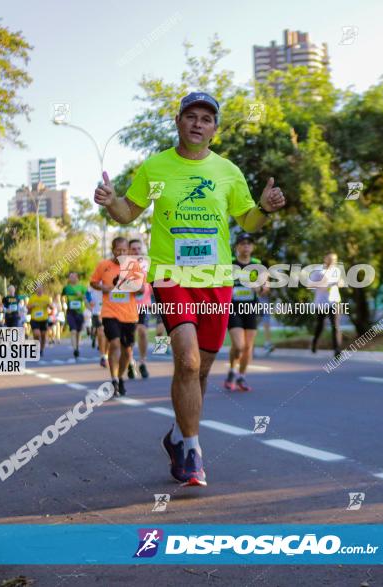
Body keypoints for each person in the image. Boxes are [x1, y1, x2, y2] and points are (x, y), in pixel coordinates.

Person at [93, 91, 286, 486]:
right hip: (171, 277)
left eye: (207, 119)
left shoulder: (228, 171)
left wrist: (264, 208)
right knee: (188, 361)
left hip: (216, 280)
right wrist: (112, 203)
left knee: (202, 369)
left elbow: (248, 222)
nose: (198, 123)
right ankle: (193, 451)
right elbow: (129, 211)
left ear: (214, 129)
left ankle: (178, 434)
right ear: (178, 121)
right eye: (191, 116)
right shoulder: (156, 166)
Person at [89, 237, 140, 397]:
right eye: (118, 250)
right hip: (109, 312)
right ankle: (114, 380)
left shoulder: (133, 266)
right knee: (115, 344)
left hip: (129, 315)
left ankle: (120, 376)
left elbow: (141, 290)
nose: (121, 253)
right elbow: (93, 282)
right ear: (113, 250)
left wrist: (129, 286)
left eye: (124, 250)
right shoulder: (103, 265)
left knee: (127, 351)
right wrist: (103, 287)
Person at [224, 233, 263, 392]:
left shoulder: (257, 264)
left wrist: (259, 287)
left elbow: (264, 286)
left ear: (252, 247)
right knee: (238, 345)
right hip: (233, 308)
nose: (246, 246)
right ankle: (232, 370)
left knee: (248, 347)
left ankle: (241, 376)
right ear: (237, 247)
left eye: (249, 243)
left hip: (251, 308)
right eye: (242, 243)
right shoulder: (230, 264)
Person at [310, 252, 343, 356]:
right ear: (325, 259)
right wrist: (322, 285)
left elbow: (341, 282)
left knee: (336, 326)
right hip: (321, 303)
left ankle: (337, 350)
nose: (332, 261)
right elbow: (310, 284)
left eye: (334, 260)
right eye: (330, 259)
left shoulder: (336, 271)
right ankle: (314, 342)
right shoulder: (318, 271)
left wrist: (339, 283)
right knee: (320, 326)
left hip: (334, 301)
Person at [128, 238, 152, 379]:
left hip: (145, 304)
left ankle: (143, 362)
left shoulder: (147, 263)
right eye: (133, 249)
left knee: (142, 331)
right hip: (129, 305)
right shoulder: (125, 265)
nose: (137, 251)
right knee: (130, 336)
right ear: (129, 250)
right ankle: (130, 362)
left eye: (139, 248)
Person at [62, 273, 87, 359]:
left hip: (79, 312)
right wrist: (63, 305)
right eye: (70, 277)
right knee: (73, 331)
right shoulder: (66, 288)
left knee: (78, 332)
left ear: (77, 278)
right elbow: (62, 296)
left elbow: (87, 298)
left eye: (73, 276)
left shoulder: (82, 288)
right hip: (70, 312)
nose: (71, 278)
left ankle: (77, 347)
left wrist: (81, 295)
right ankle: (75, 349)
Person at [27, 284, 52, 356]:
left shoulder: (46, 298)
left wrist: (49, 305)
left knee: (43, 335)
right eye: (38, 288)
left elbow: (51, 307)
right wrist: (32, 306)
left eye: (40, 288)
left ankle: (41, 349)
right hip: (34, 319)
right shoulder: (32, 298)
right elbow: (28, 307)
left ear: (43, 289)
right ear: (36, 290)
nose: (39, 290)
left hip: (44, 319)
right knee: (36, 334)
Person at [88, 283, 104, 355]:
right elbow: (87, 293)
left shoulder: (111, 279)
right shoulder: (95, 281)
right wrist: (90, 300)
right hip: (97, 311)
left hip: (109, 311)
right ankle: (100, 347)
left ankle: (102, 347)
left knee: (104, 331)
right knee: (99, 329)